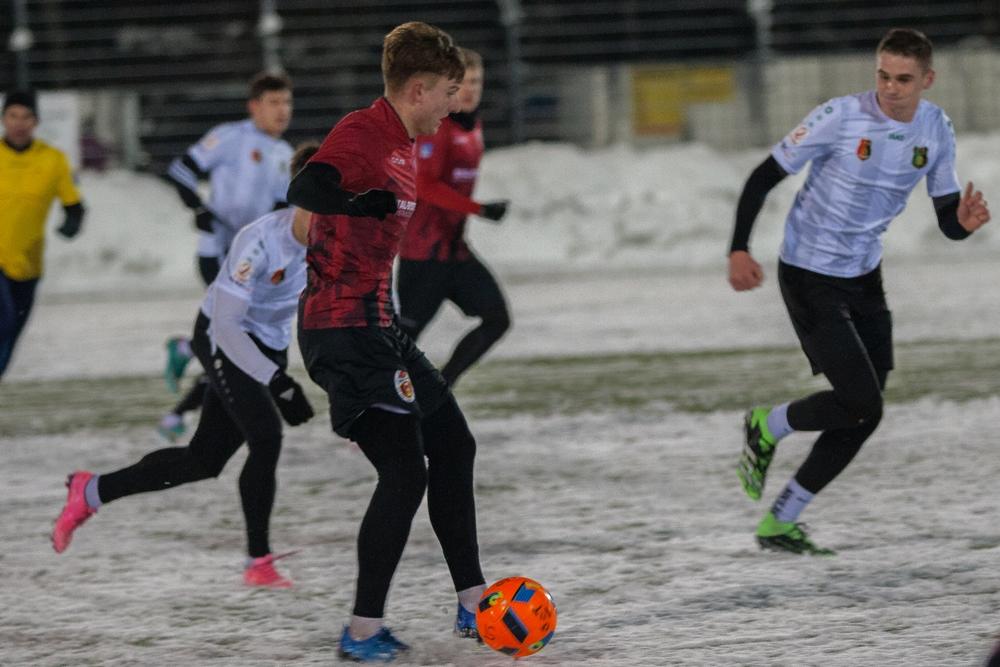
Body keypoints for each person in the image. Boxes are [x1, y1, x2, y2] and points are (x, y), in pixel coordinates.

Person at [728, 28, 990, 555]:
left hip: (864, 277)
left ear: (927, 80)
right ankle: (768, 424)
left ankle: (782, 521)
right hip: (808, 274)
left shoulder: (935, 128)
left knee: (865, 411)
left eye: (904, 79)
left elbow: (946, 214)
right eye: (883, 76)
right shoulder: (841, 116)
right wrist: (738, 248)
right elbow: (762, 176)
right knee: (861, 402)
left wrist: (962, 224)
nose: (890, 88)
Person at [286, 22, 484, 662]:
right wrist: (355, 203)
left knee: (453, 444)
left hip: (378, 326)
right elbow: (305, 188)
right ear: (419, 89)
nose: (453, 105)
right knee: (403, 472)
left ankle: (474, 602)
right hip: (342, 330)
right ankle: (362, 631)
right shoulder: (365, 131)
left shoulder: (402, 142)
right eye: (448, 92)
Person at [51, 143, 319, 588]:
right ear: (298, 195)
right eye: (320, 201)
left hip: (268, 345)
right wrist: (276, 380)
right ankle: (258, 562)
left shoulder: (338, 241)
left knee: (203, 460)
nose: (332, 215)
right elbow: (227, 328)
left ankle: (91, 490)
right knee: (266, 436)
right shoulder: (259, 241)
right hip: (220, 335)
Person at [159, 72, 294, 441]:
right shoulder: (231, 137)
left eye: (286, 102)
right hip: (217, 252)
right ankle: (183, 408)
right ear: (254, 107)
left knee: (237, 344)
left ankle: (185, 374)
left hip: (252, 263)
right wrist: (199, 209)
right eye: (273, 102)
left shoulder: (285, 154)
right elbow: (181, 170)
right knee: (238, 342)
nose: (282, 110)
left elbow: (280, 213)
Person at [396, 47, 511, 387]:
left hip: (454, 251)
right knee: (402, 343)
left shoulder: (472, 127)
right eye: (462, 83)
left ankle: (440, 389)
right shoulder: (436, 127)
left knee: (497, 319)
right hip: (424, 254)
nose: (471, 89)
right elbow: (424, 185)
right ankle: (370, 406)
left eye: (476, 81)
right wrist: (479, 209)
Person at [0, 90, 85, 379]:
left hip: (28, 264)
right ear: (4, 119)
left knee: (10, 338)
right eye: (13, 116)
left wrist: (72, 222)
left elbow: (73, 204)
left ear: (36, 122)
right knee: (3, 321)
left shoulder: (52, 159)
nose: (19, 123)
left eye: (26, 117)